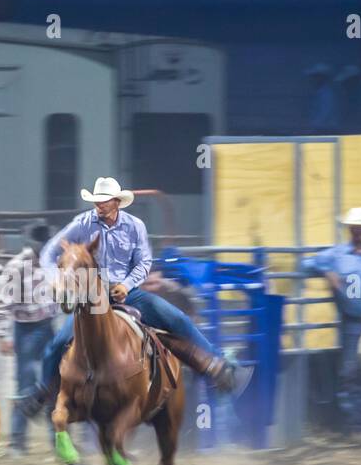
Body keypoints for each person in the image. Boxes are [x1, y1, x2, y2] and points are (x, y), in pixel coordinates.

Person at [17, 177, 246, 417]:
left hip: (129, 293)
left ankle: (219, 367)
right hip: (93, 298)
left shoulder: (135, 226)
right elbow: (49, 252)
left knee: (175, 318)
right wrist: (55, 277)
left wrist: (127, 284)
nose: (99, 205)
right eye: (97, 201)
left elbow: (144, 262)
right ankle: (42, 393)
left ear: (117, 202)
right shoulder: (82, 223)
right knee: (57, 344)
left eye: (104, 201)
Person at [301, 207, 361, 439]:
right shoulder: (336, 254)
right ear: (349, 229)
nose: (357, 230)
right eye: (354, 227)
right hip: (353, 321)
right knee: (351, 373)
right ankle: (358, 425)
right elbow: (305, 264)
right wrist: (326, 271)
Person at [0, 221, 59, 454]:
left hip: (47, 326)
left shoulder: (55, 263)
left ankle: (54, 441)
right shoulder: (18, 266)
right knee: (27, 386)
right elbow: (2, 302)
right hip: (27, 330)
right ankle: (18, 442)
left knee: (52, 384)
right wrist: (2, 334)